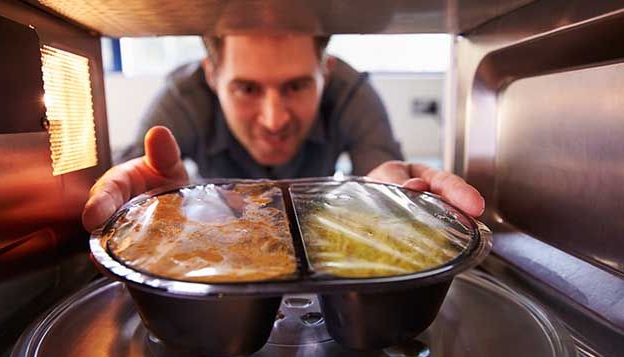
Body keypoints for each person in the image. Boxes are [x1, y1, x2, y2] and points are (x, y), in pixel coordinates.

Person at [82, 34, 484, 232]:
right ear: (212, 75)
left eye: (296, 86)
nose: (274, 120)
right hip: (225, 235)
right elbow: (135, 178)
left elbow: (383, 172)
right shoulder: (182, 100)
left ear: (325, 72)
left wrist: (390, 197)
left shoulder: (351, 93)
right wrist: (147, 208)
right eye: (246, 88)